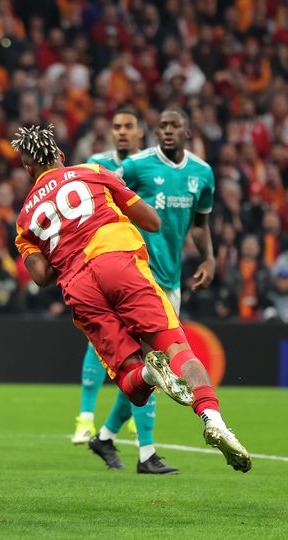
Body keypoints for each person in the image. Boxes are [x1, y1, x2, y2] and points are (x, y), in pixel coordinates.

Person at [13, 125, 251, 474]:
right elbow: (152, 221)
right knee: (175, 346)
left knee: (131, 380)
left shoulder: (24, 220)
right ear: (61, 157)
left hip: (79, 287)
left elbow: (42, 277)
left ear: (27, 168)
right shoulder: (93, 172)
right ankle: (212, 417)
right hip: (115, 258)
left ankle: (152, 377)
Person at [84, 108, 218, 473]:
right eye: (162, 126)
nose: (168, 131)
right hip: (138, 279)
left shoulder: (201, 174)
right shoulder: (138, 167)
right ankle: (146, 453)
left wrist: (209, 258)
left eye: (174, 126)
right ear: (155, 132)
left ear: (189, 131)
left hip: (171, 281)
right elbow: (102, 191)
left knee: (152, 370)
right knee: (156, 366)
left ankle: (107, 436)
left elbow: (201, 224)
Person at [71, 107, 175, 474]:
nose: (122, 132)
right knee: (143, 359)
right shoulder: (95, 167)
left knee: (144, 366)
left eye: (129, 126)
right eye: (116, 126)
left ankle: (106, 434)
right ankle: (136, 446)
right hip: (115, 272)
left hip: (157, 271)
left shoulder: (156, 167)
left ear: (140, 132)